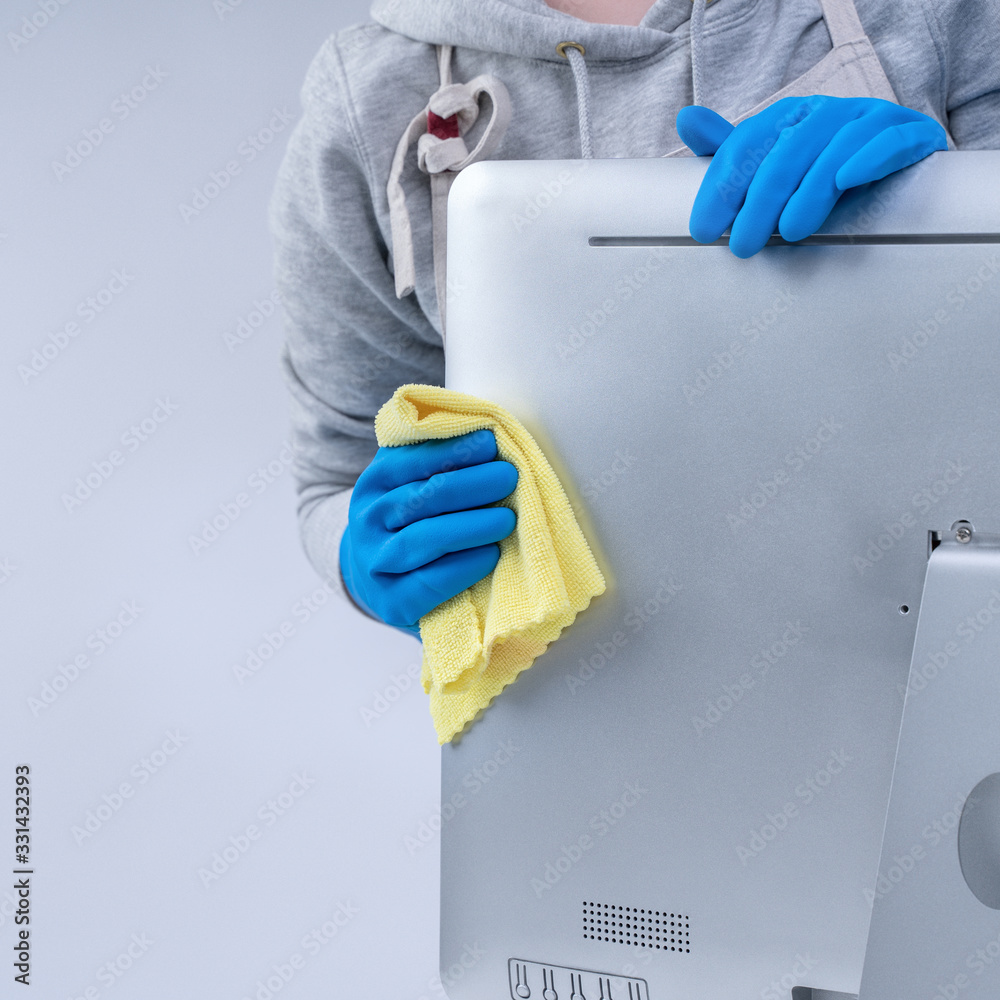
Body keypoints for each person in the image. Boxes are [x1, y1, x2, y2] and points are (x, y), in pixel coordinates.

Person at [269, 0, 1000, 639]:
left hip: (940, 664)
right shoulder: (370, 97)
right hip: (580, 712)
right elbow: (338, 474)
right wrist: (366, 559)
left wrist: (955, 210)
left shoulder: (936, 11)